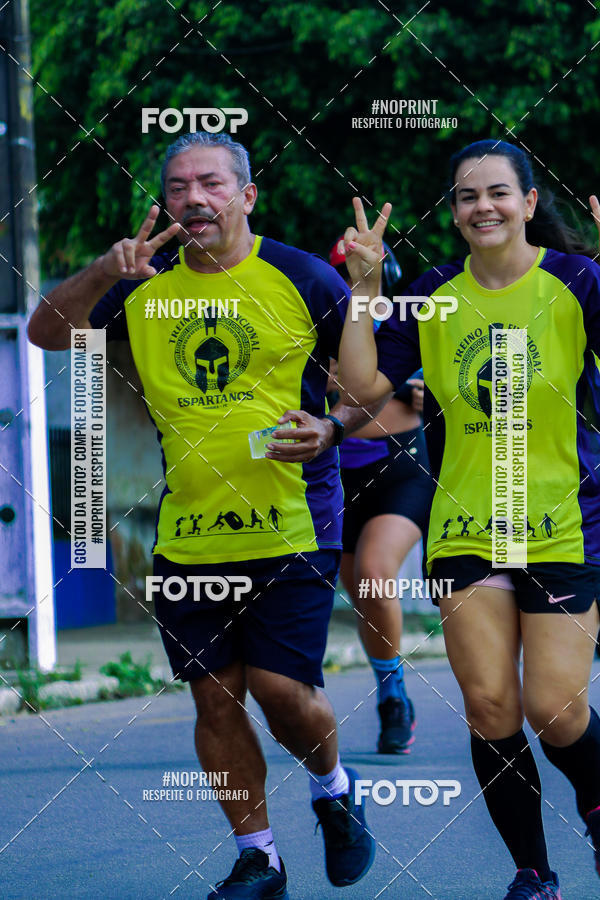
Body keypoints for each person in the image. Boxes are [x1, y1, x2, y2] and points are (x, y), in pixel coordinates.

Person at [27, 131, 378, 900]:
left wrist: (332, 429)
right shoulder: (138, 283)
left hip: (292, 522)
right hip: (188, 535)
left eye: (212, 184)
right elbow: (47, 333)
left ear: (246, 196)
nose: (194, 199)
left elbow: (368, 390)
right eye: (180, 187)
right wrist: (100, 271)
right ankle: (260, 857)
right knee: (214, 696)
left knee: (284, 694)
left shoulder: (306, 278)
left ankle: (335, 790)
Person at [338, 139, 600, 899]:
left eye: (496, 193)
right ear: (453, 211)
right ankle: (533, 874)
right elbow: (361, 390)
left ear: (526, 203)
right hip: (465, 528)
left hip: (563, 523)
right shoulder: (433, 292)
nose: (481, 206)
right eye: (464, 196)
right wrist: (363, 289)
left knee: (555, 709)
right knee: (490, 705)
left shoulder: (578, 280)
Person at [328, 238, 434, 754]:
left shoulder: (407, 321)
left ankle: (393, 700)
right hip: (335, 478)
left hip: (401, 467)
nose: (357, 279)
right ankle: (390, 683)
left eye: (366, 272)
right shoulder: (309, 326)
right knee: (364, 596)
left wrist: (426, 391)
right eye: (348, 272)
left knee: (374, 570)